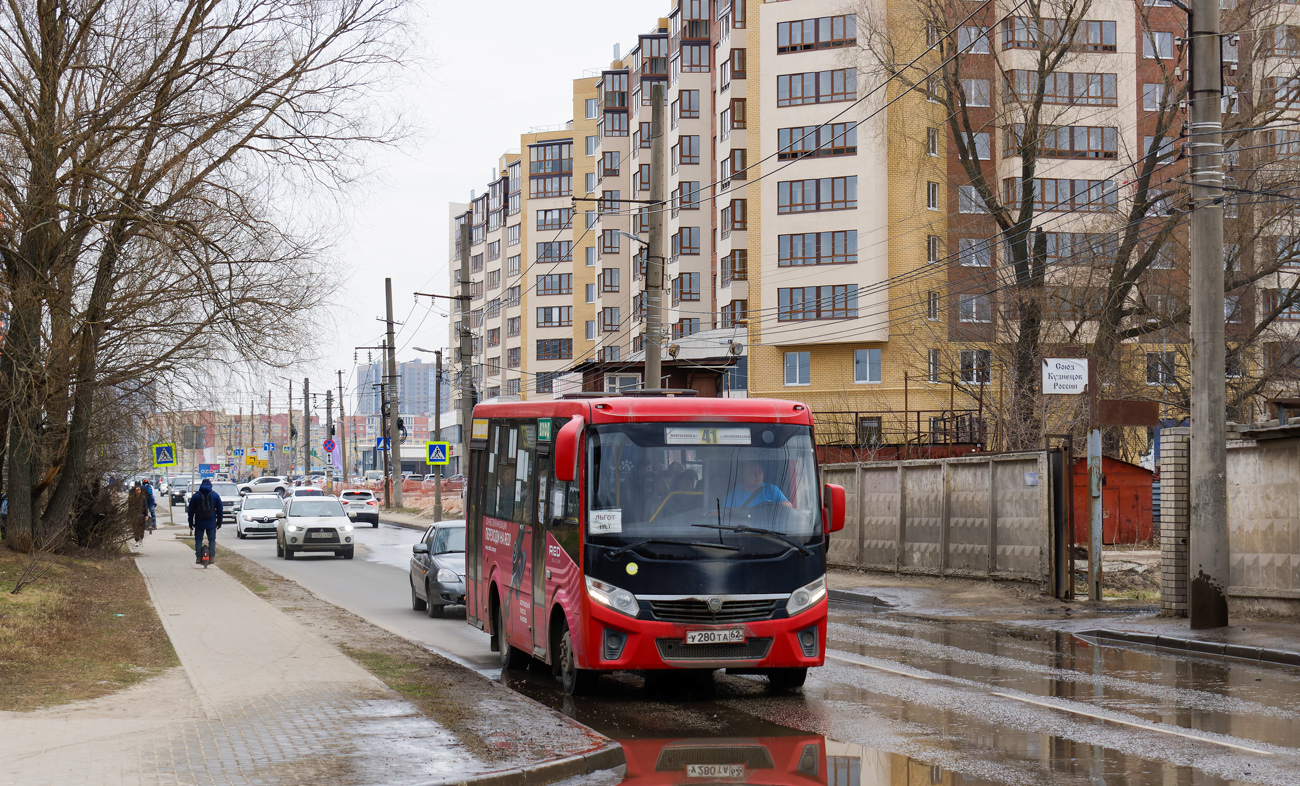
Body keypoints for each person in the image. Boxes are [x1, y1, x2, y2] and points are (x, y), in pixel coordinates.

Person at [723, 460, 792, 509]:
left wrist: (786, 504)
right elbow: (724, 515)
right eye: (752, 472)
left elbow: (788, 506)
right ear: (743, 475)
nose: (757, 475)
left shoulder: (772, 490)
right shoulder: (733, 496)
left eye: (759, 471)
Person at [187, 478, 223, 564]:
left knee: (198, 540)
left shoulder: (196, 496)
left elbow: (191, 510)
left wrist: (191, 522)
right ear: (210, 485)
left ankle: (199, 557)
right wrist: (219, 522)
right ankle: (212, 557)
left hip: (199, 523)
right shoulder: (215, 495)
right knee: (212, 540)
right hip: (211, 523)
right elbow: (220, 510)